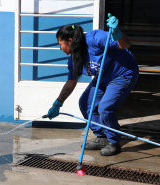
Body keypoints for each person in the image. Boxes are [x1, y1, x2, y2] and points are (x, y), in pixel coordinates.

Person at [46, 13, 139, 156]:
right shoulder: (74, 59)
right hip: (103, 78)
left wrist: (117, 33)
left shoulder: (95, 38)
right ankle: (101, 136)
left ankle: (114, 142)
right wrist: (58, 103)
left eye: (60, 44)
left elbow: (125, 44)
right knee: (85, 104)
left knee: (105, 108)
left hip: (123, 73)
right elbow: (71, 82)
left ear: (69, 41)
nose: (60, 48)